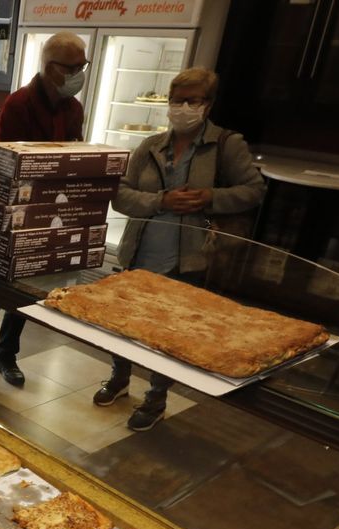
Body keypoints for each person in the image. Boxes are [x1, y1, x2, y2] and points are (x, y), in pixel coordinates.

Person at [96, 68, 266, 431]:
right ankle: (118, 378)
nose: (183, 108)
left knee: (168, 335)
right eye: (177, 100)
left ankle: (155, 399)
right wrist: (160, 200)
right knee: (124, 325)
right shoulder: (150, 146)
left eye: (193, 100)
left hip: (189, 258)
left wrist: (210, 197)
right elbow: (121, 195)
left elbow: (254, 190)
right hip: (139, 253)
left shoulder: (226, 144)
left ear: (208, 104)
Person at [0, 31, 88, 404]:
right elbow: (7, 163)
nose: (78, 73)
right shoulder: (18, 104)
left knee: (25, 293)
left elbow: (75, 156)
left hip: (49, 211)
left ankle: (6, 355)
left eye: (82, 66)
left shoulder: (73, 108)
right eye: (72, 67)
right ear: (50, 68)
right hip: (10, 212)